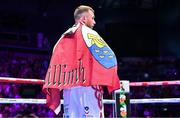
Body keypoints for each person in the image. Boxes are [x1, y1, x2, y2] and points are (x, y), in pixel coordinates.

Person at [42, 5, 120, 118]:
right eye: (92, 18)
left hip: (68, 88)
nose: (94, 22)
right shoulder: (90, 34)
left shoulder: (62, 38)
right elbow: (109, 58)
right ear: (84, 19)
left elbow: (54, 64)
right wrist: (110, 77)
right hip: (88, 86)